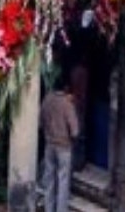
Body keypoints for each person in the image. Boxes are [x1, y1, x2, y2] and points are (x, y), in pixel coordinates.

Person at [40, 76, 80, 212]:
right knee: (63, 181)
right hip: (64, 147)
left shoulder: (47, 100)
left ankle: (48, 208)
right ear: (66, 88)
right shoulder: (67, 104)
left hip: (49, 144)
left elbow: (41, 122)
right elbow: (75, 131)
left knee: (49, 179)